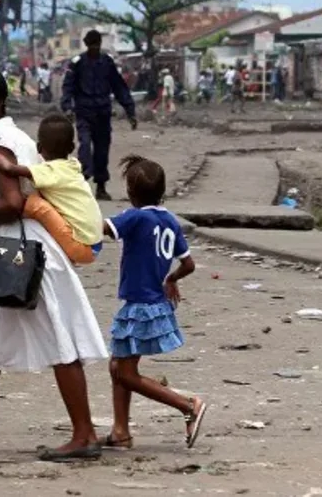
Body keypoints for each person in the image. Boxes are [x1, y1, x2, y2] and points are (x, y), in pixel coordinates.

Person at [0, 69, 108, 461]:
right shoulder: (9, 136)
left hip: (27, 256)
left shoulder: (1, 141)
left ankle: (84, 434)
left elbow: (13, 203)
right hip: (24, 249)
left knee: (60, 340)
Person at [100, 154, 206, 450]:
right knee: (117, 365)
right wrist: (171, 279)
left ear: (131, 193)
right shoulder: (169, 221)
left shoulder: (135, 217)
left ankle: (188, 405)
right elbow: (189, 264)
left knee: (125, 372)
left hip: (139, 305)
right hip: (155, 303)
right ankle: (120, 432)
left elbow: (103, 228)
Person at [0, 113, 103, 265]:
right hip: (94, 243)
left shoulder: (49, 170)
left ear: (38, 148)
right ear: (71, 147)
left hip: (82, 246)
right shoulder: (72, 165)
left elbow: (9, 168)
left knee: (35, 204)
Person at [60, 29, 137, 201]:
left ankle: (101, 187)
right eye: (92, 44)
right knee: (85, 147)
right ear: (87, 45)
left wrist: (130, 110)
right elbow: (68, 86)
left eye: (97, 44)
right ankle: (83, 181)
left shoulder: (107, 62)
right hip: (84, 112)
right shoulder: (77, 63)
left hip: (103, 112)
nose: (95, 48)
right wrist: (67, 107)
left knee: (102, 151)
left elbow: (119, 87)